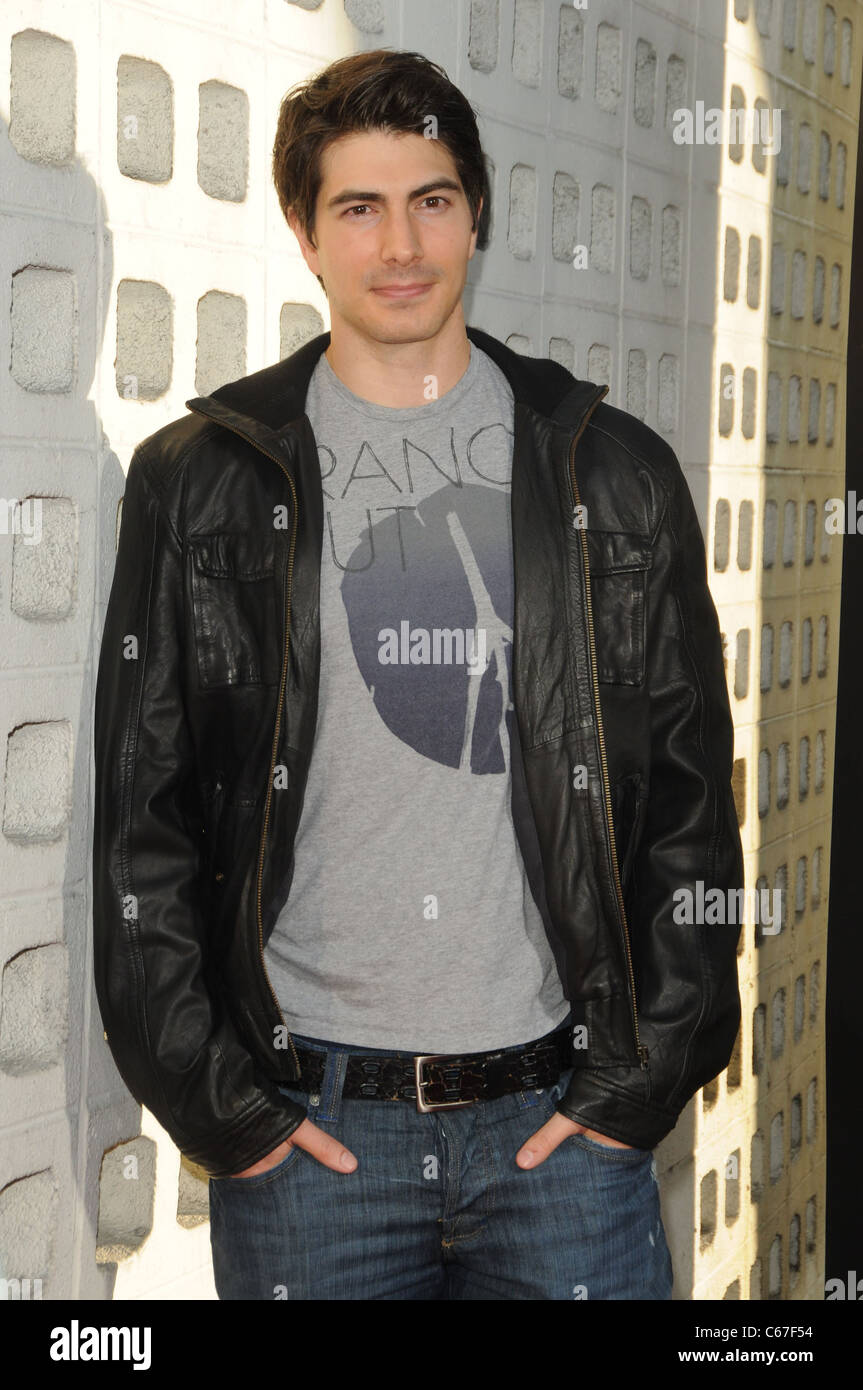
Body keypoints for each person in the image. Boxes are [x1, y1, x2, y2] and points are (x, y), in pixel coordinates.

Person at [92, 48, 744, 1300]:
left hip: (563, 1125)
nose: (401, 243)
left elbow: (686, 810)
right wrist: (229, 1115)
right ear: (304, 232)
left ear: (476, 212)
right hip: (312, 1134)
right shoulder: (201, 480)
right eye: (359, 206)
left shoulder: (609, 474)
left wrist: (636, 1086)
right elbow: (145, 828)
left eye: (431, 199)